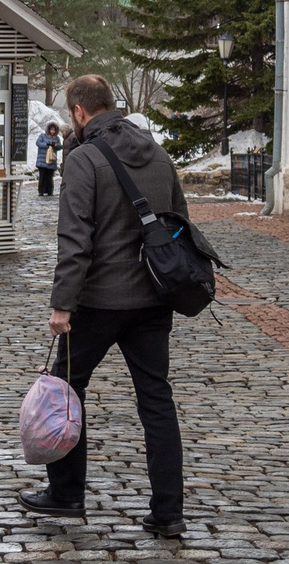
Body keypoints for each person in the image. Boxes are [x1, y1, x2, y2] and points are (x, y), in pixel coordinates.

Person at [19, 73, 192, 537]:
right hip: (153, 299)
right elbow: (179, 223)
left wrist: (62, 304)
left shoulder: (84, 159)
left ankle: (66, 493)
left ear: (78, 112)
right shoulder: (158, 155)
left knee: (65, 391)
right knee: (156, 400)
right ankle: (168, 512)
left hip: (97, 302)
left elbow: (75, 240)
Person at [35, 118, 64, 197]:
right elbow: (38, 143)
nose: (52, 132)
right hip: (42, 160)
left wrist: (56, 145)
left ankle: (49, 191)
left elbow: (59, 146)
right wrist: (47, 144)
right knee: (42, 176)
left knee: (49, 177)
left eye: (54, 130)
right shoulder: (42, 136)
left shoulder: (57, 138)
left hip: (51, 160)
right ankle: (41, 191)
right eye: (51, 130)